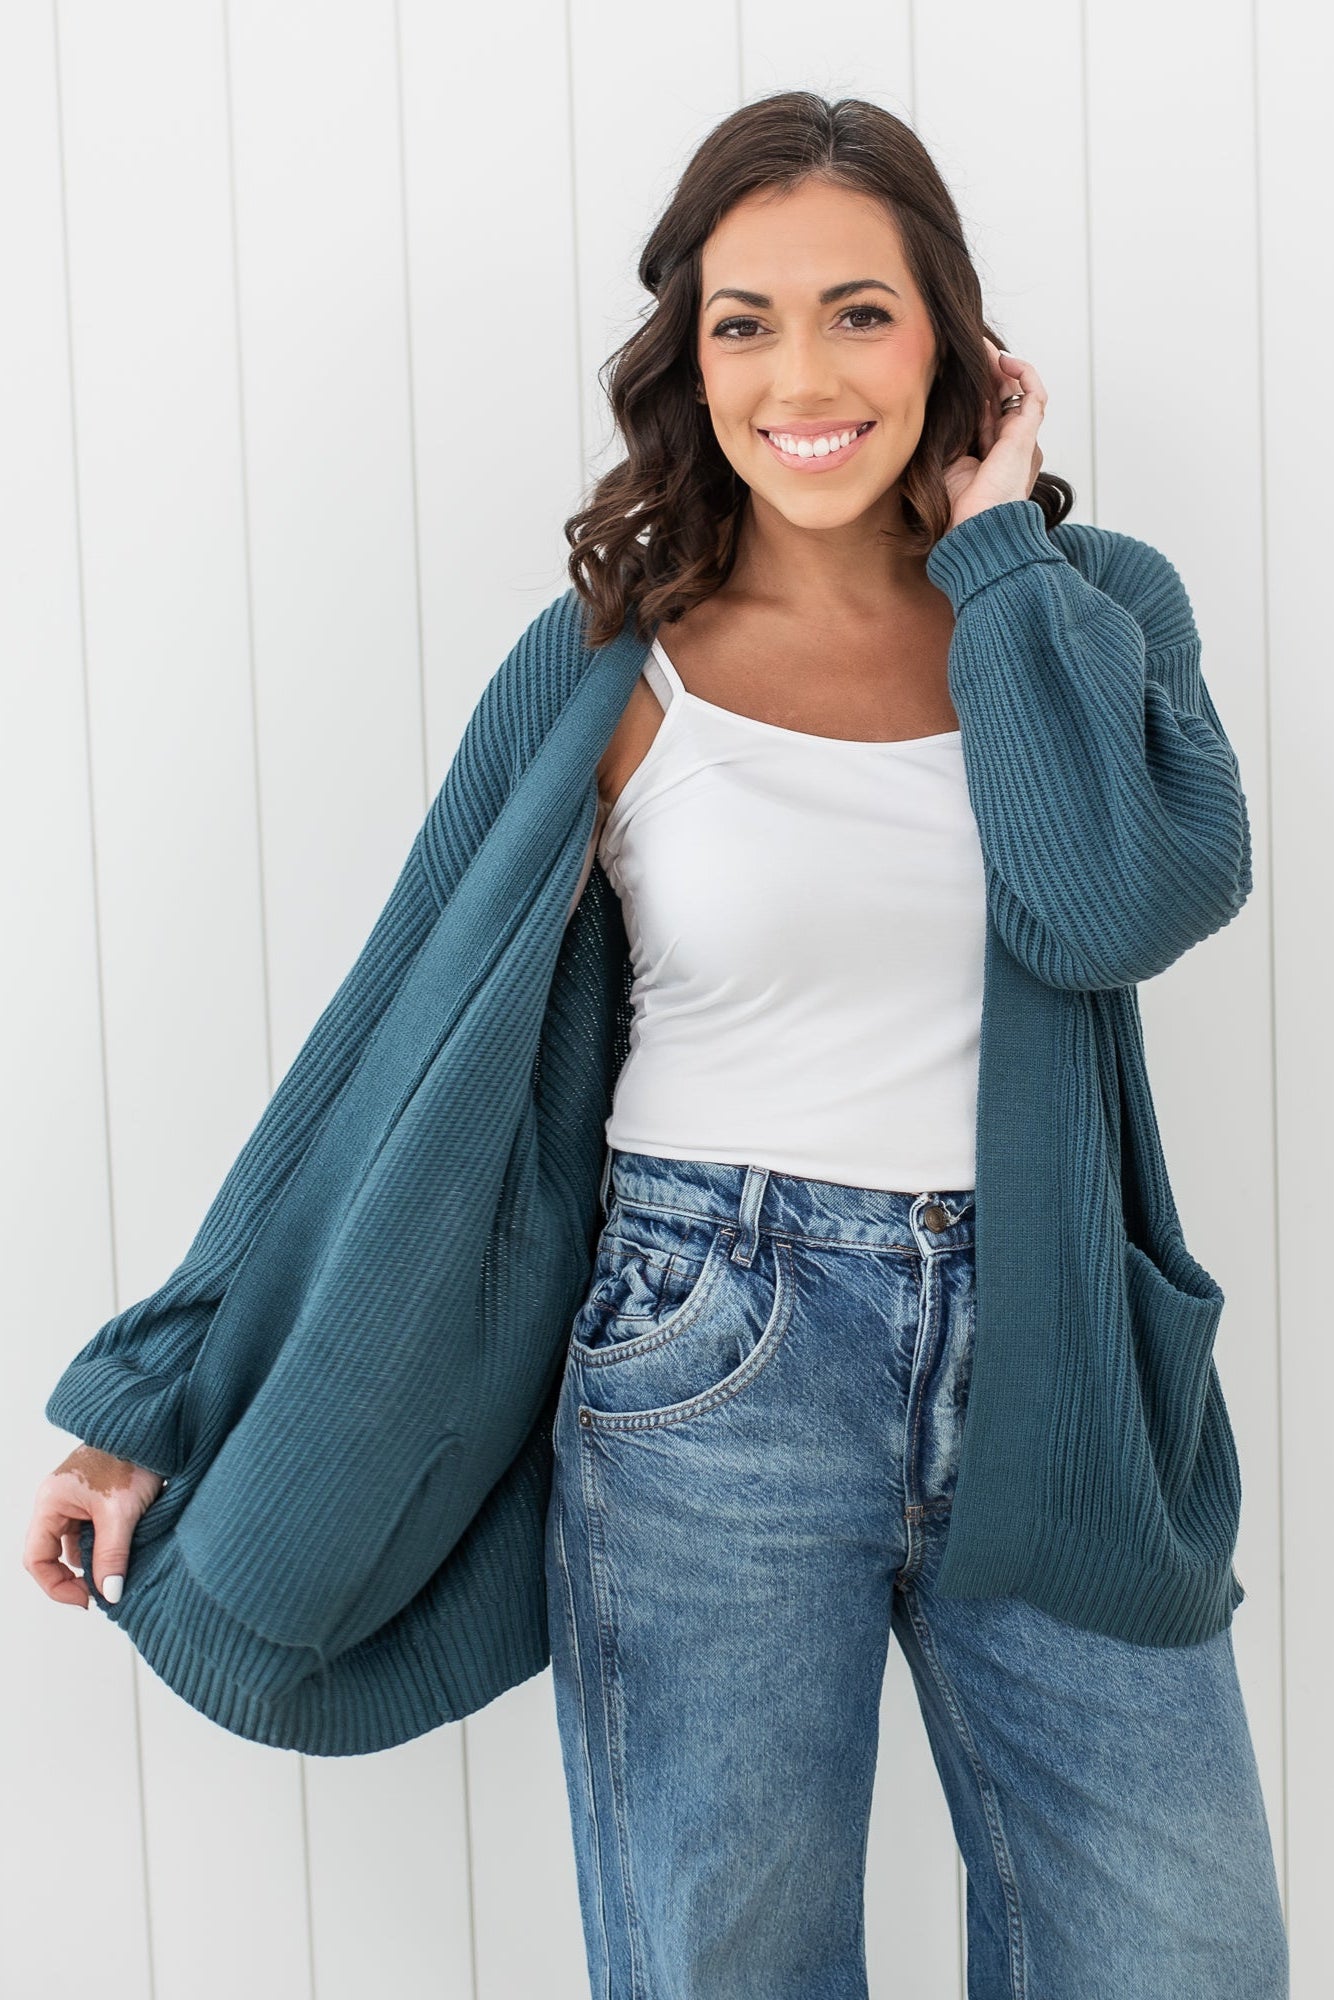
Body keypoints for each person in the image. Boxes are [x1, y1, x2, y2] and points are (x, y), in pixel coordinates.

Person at [26, 91, 1287, 1998]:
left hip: (1062, 1361)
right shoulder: (619, 656)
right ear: (687, 361)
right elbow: (389, 1026)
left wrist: (1000, 550)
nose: (802, 374)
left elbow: (1110, 906)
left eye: (860, 313)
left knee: (1182, 1956)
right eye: (742, 321)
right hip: (713, 1356)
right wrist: (156, 1395)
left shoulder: (1093, 611)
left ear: (951, 334)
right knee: (728, 1967)